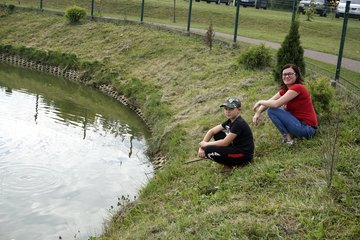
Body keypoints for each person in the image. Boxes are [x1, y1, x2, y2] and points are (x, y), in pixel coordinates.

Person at [252, 63, 318, 145]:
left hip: (307, 129)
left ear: (296, 75)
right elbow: (270, 101)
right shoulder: (285, 91)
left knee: (272, 110)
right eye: (284, 74)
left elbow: (275, 104)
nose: (287, 76)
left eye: (290, 74)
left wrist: (260, 101)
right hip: (300, 125)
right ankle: (291, 135)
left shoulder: (298, 87)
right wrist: (258, 113)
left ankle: (288, 139)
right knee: (275, 108)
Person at [198, 97, 254, 169]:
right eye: (226, 109)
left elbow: (225, 143)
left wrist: (206, 144)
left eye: (231, 109)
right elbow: (212, 131)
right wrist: (201, 147)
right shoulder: (230, 121)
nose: (228, 111)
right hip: (235, 148)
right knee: (217, 134)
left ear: (239, 110)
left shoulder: (239, 123)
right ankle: (228, 161)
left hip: (243, 155)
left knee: (208, 150)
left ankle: (230, 164)